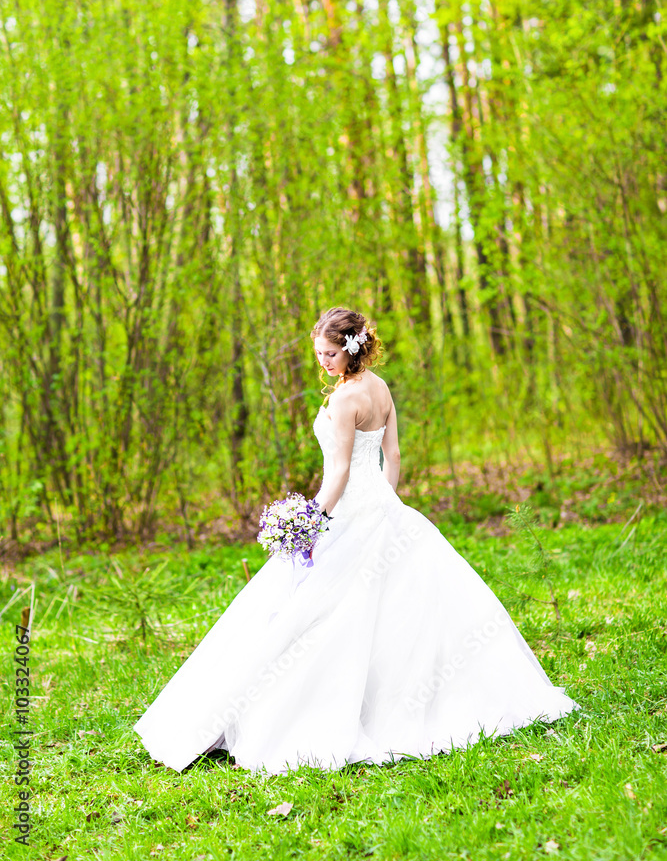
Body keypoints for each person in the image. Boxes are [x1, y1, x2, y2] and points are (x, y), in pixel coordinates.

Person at [134, 307, 578, 775]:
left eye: (329, 353)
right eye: (318, 354)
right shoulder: (379, 387)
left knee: (319, 613)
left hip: (347, 510)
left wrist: (309, 521)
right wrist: (387, 503)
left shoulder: (347, 400)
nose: (323, 361)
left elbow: (341, 472)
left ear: (349, 347)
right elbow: (393, 457)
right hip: (383, 510)